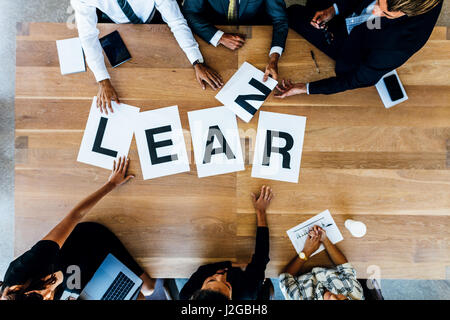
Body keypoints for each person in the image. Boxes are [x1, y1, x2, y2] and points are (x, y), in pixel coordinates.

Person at [0, 157, 155, 300]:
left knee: (148, 287)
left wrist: (111, 184)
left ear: (25, 291)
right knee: (140, 293)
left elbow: (75, 215)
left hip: (87, 245)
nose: (48, 296)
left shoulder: (25, 267)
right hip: (76, 279)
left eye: (42, 296)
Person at [71, 0, 223, 114]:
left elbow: (176, 21)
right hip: (119, 24)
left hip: (156, 16)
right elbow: (88, 37)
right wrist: (103, 80)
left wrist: (197, 61)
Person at [275, 0, 443, 97]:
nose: (375, 10)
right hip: (349, 11)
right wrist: (334, 9)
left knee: (295, 16)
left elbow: (356, 79)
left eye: (386, 13)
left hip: (354, 43)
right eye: (378, 1)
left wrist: (305, 88)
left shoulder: (397, 47)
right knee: (294, 13)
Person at [179, 185, 274, 300]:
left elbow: (203, 269)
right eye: (226, 284)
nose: (220, 275)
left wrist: (230, 265)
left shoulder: (186, 296)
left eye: (211, 279)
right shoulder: (248, 292)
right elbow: (261, 256)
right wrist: (261, 211)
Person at [182, 0, 288, 82]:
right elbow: (189, 12)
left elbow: (280, 19)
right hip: (211, 28)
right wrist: (219, 37)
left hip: (254, 30)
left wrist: (274, 58)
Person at [279, 225, 364, 300]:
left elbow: (285, 278)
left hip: (294, 262)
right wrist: (325, 239)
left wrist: (306, 252)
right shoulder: (355, 294)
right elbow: (345, 267)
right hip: (325, 260)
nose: (332, 297)